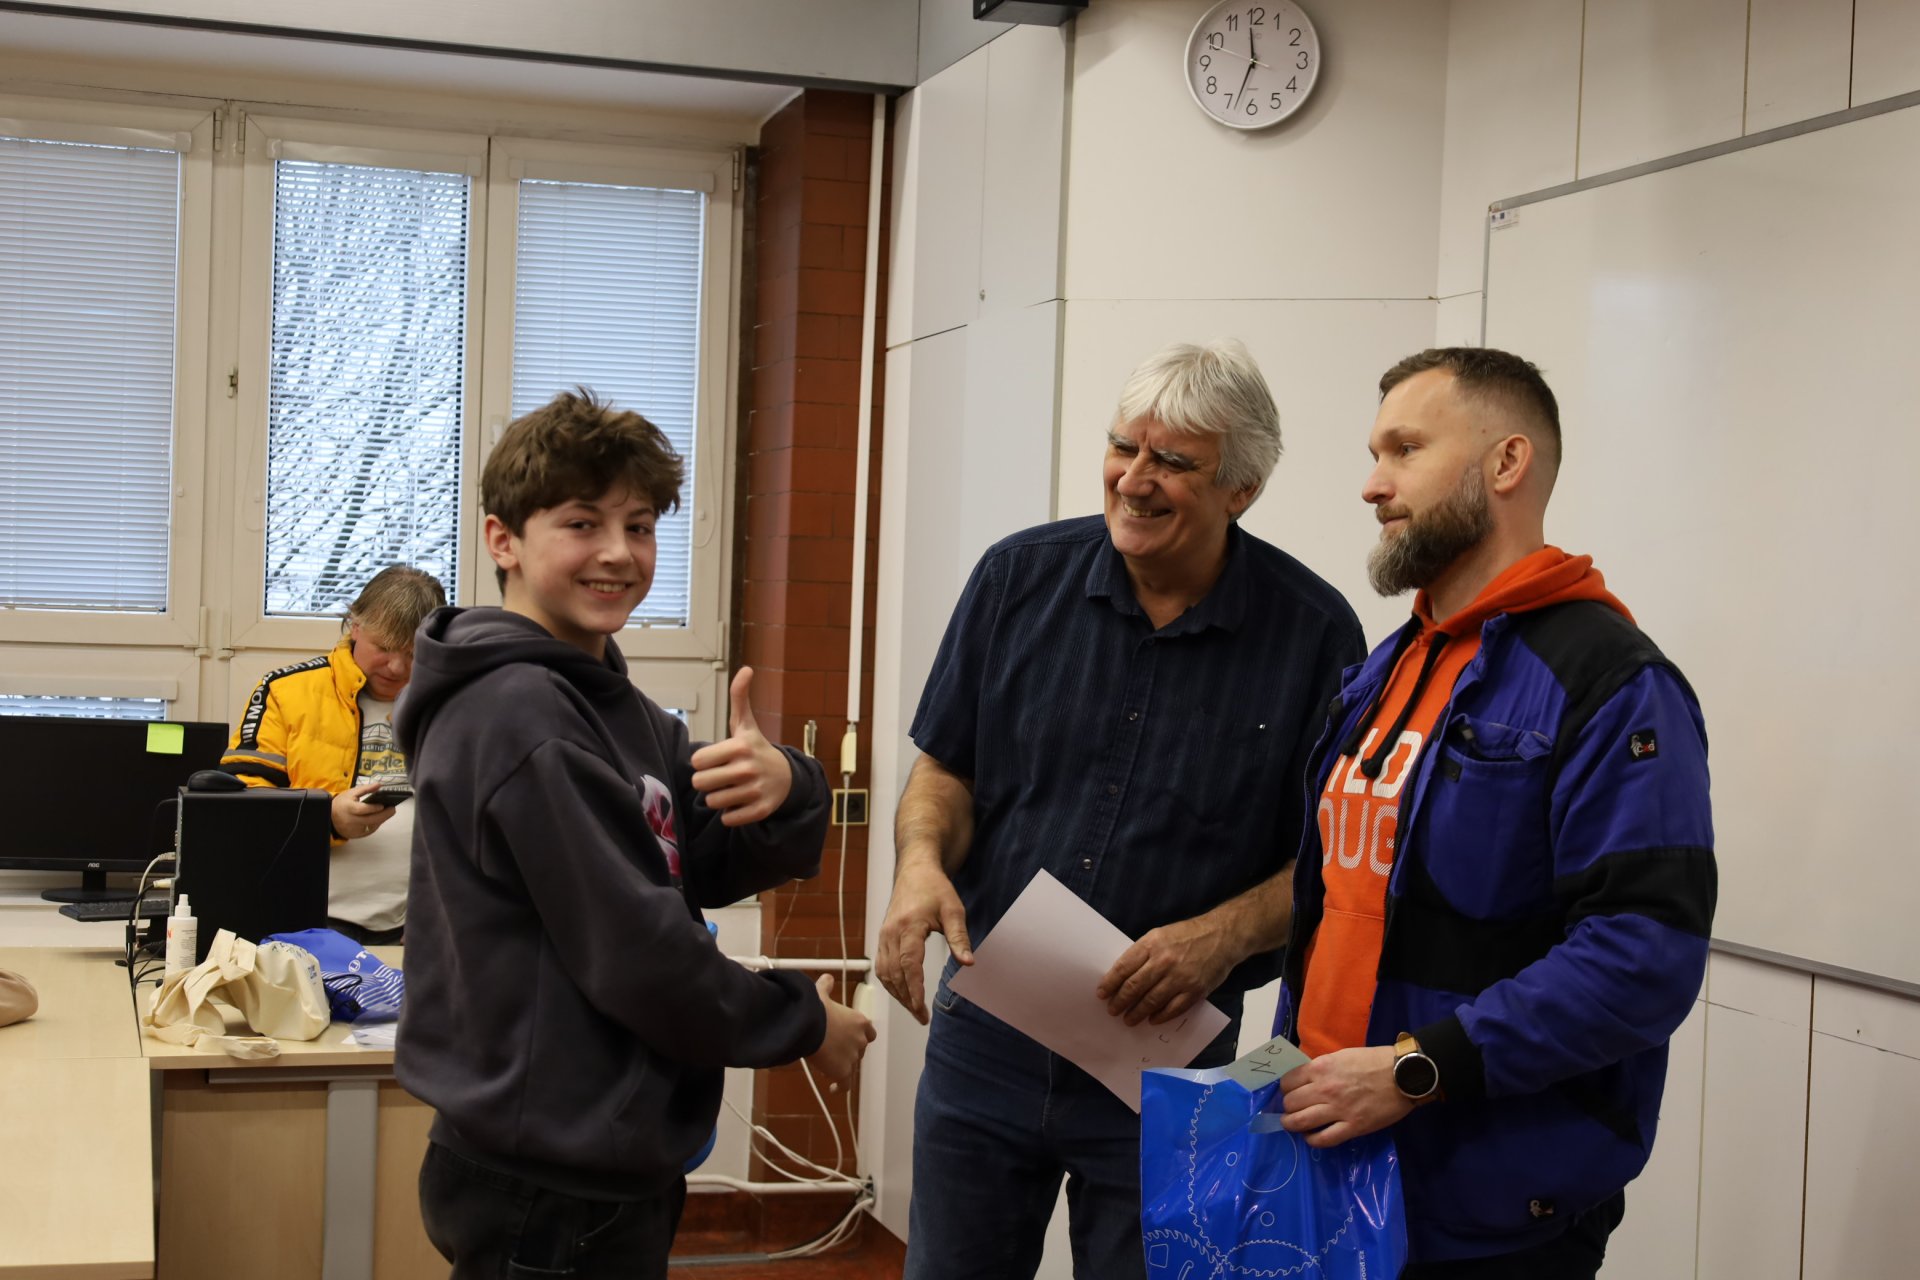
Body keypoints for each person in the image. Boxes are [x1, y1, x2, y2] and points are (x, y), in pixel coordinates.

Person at [876, 340, 1365, 1279]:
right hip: (989, 1034)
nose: (1133, 481)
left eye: (1172, 462)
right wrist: (919, 865)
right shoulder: (1016, 579)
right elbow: (946, 771)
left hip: (1172, 1064)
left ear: (1242, 489)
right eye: (1121, 447)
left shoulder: (1315, 633)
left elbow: (1333, 859)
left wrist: (1223, 935)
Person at [393, 389, 875, 1280]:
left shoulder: (611, 701)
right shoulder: (520, 715)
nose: (619, 552)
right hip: (545, 1179)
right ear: (503, 539)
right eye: (583, 523)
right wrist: (806, 1022)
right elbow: (643, 956)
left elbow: (704, 859)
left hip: (595, 1161)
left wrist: (787, 783)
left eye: (641, 526)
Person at [1274, 348, 1715, 1277]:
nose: (1372, 485)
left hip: (1487, 1203)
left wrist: (1415, 1070)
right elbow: (1339, 908)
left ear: (1506, 462)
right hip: (1335, 1170)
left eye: (1405, 450)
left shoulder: (1613, 682)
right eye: (1374, 454)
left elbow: (1643, 957)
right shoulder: (1386, 671)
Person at [221, 564, 446, 945]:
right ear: (355, 625)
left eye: (413, 653)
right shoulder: (285, 692)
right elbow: (236, 817)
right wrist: (326, 819)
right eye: (384, 647)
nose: (397, 667)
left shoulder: (449, 702)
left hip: (423, 922)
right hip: (311, 920)